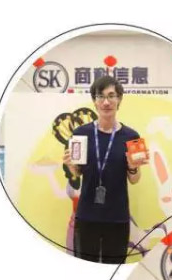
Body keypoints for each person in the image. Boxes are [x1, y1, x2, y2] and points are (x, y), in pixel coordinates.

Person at [63, 76, 149, 263]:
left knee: (114, 268)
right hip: (87, 215)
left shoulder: (131, 136)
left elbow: (134, 179)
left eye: (111, 96)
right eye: (100, 96)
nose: (106, 102)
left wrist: (133, 168)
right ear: (94, 101)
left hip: (117, 216)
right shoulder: (80, 134)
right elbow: (78, 172)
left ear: (119, 100)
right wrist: (71, 167)